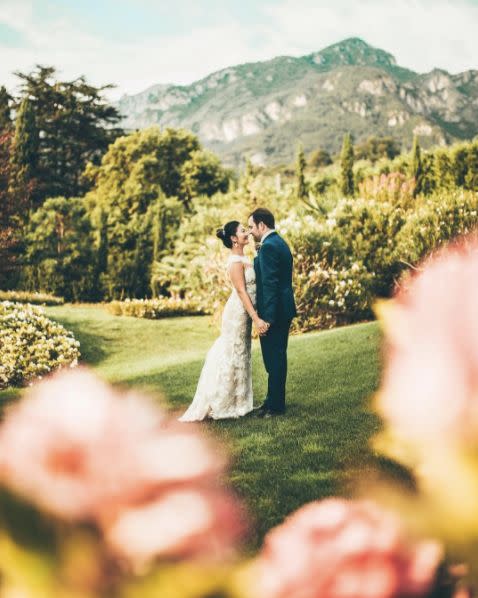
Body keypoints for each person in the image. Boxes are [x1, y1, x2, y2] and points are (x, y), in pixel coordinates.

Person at [179, 221, 268, 421]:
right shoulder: (234, 261)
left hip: (245, 312)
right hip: (238, 313)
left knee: (242, 352)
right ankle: (223, 402)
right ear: (234, 239)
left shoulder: (243, 256)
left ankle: (241, 402)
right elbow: (241, 290)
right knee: (233, 352)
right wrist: (256, 317)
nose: (247, 233)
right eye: (242, 231)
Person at [248, 208, 297, 417]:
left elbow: (269, 284)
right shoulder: (279, 243)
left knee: (274, 358)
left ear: (262, 225)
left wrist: (265, 319)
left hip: (274, 312)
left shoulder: (268, 247)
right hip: (282, 308)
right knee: (276, 357)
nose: (250, 232)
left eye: (251, 227)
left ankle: (276, 406)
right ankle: (271, 400)